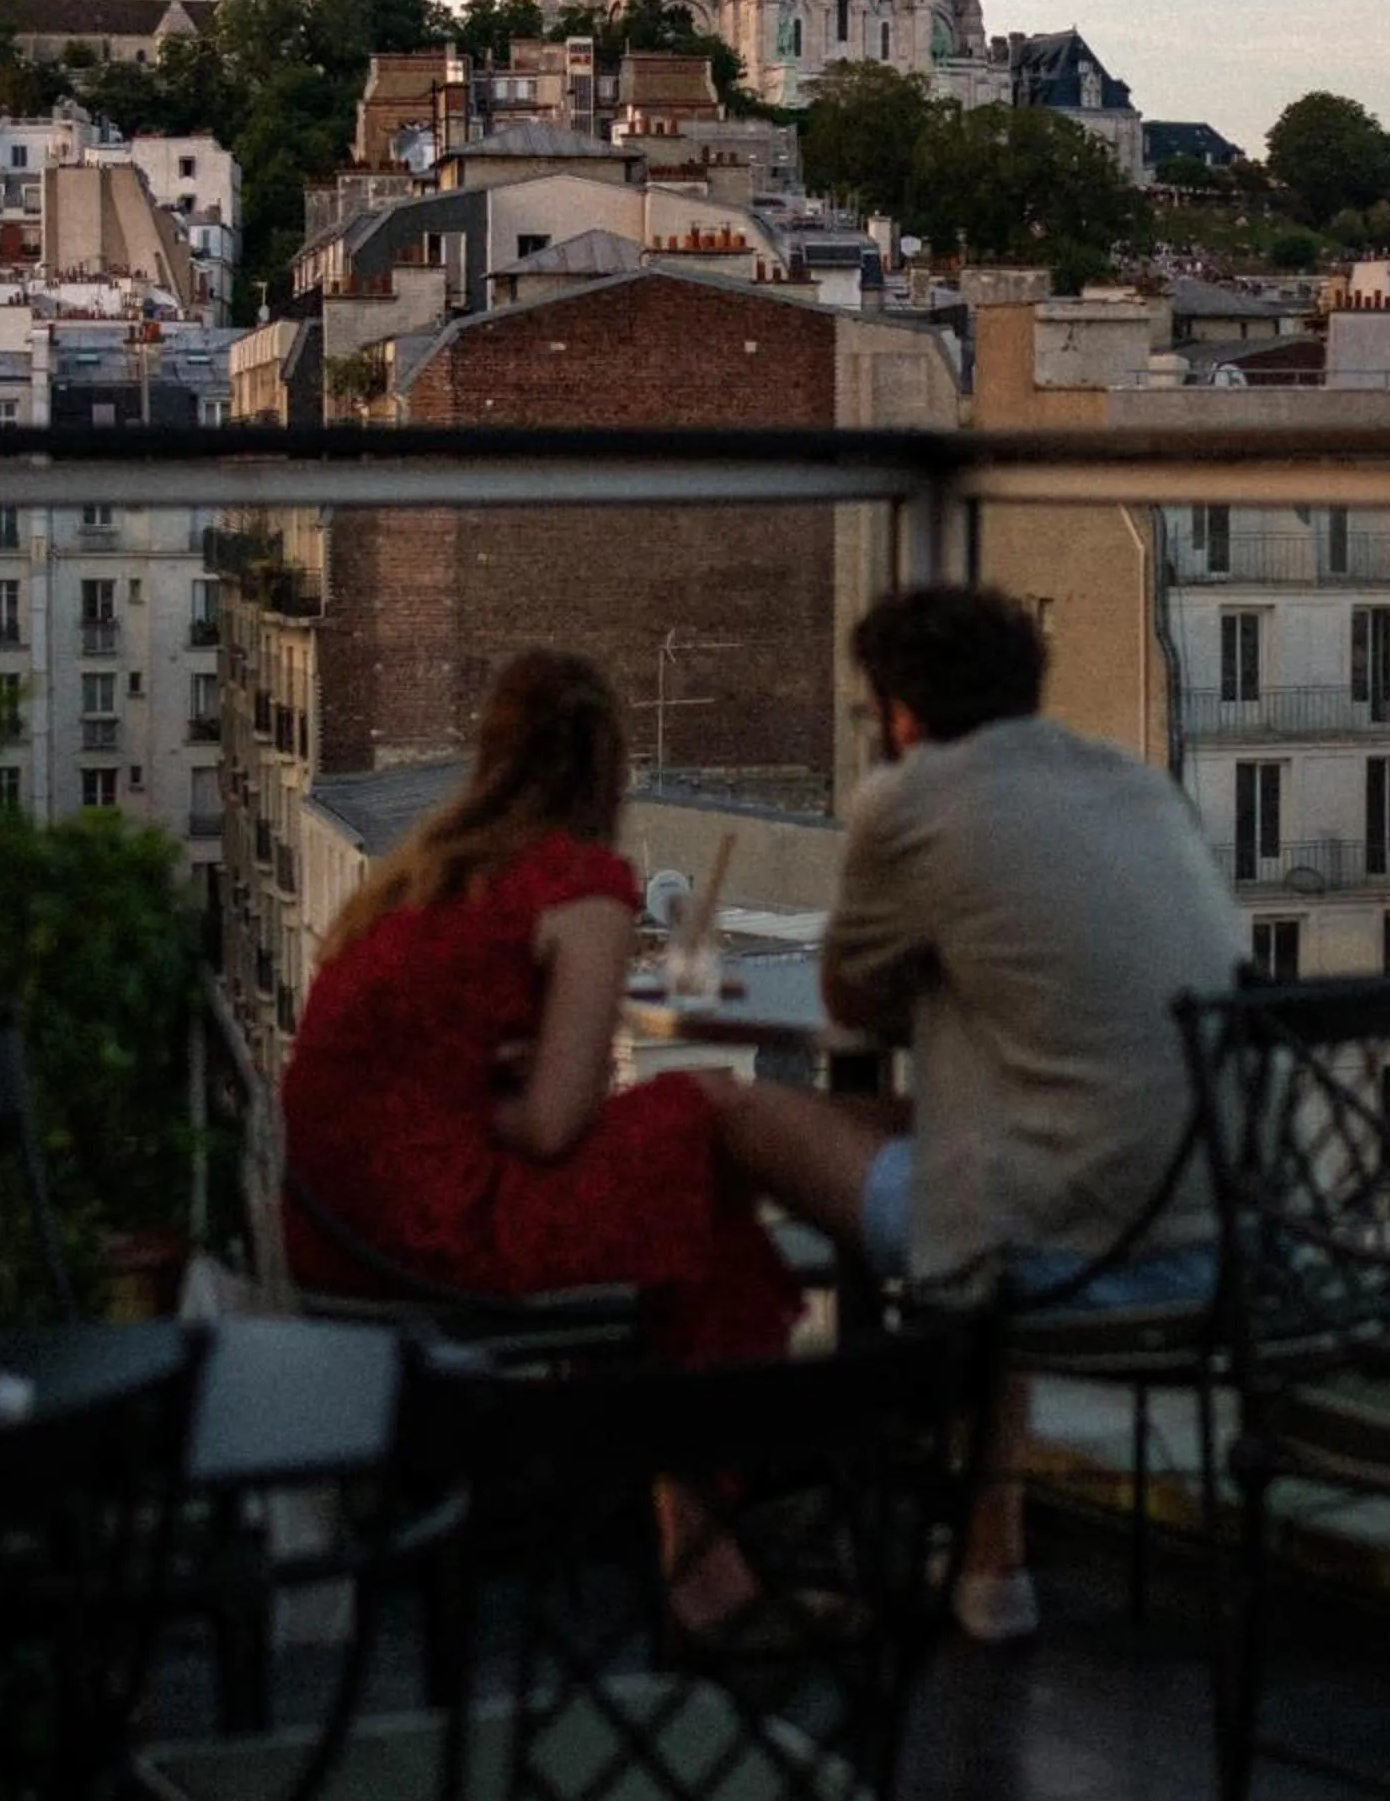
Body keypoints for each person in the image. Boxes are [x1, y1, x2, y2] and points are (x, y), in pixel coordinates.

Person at [711, 584, 1241, 1643]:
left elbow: (850, 1001)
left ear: (900, 712)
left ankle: (728, 1490)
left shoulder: (910, 801)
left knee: (714, 1107)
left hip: (1055, 1257)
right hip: (1215, 1239)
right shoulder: (1133, 785)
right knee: (971, 1144)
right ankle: (988, 1563)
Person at [281, 649, 797, 1386]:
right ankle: (740, 1412)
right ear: (609, 772)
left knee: (695, 1154)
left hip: (334, 1240)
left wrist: (489, 1089)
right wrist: (500, 1107)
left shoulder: (414, 883)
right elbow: (552, 1127)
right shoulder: (579, 885)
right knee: (710, 1111)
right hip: (436, 1242)